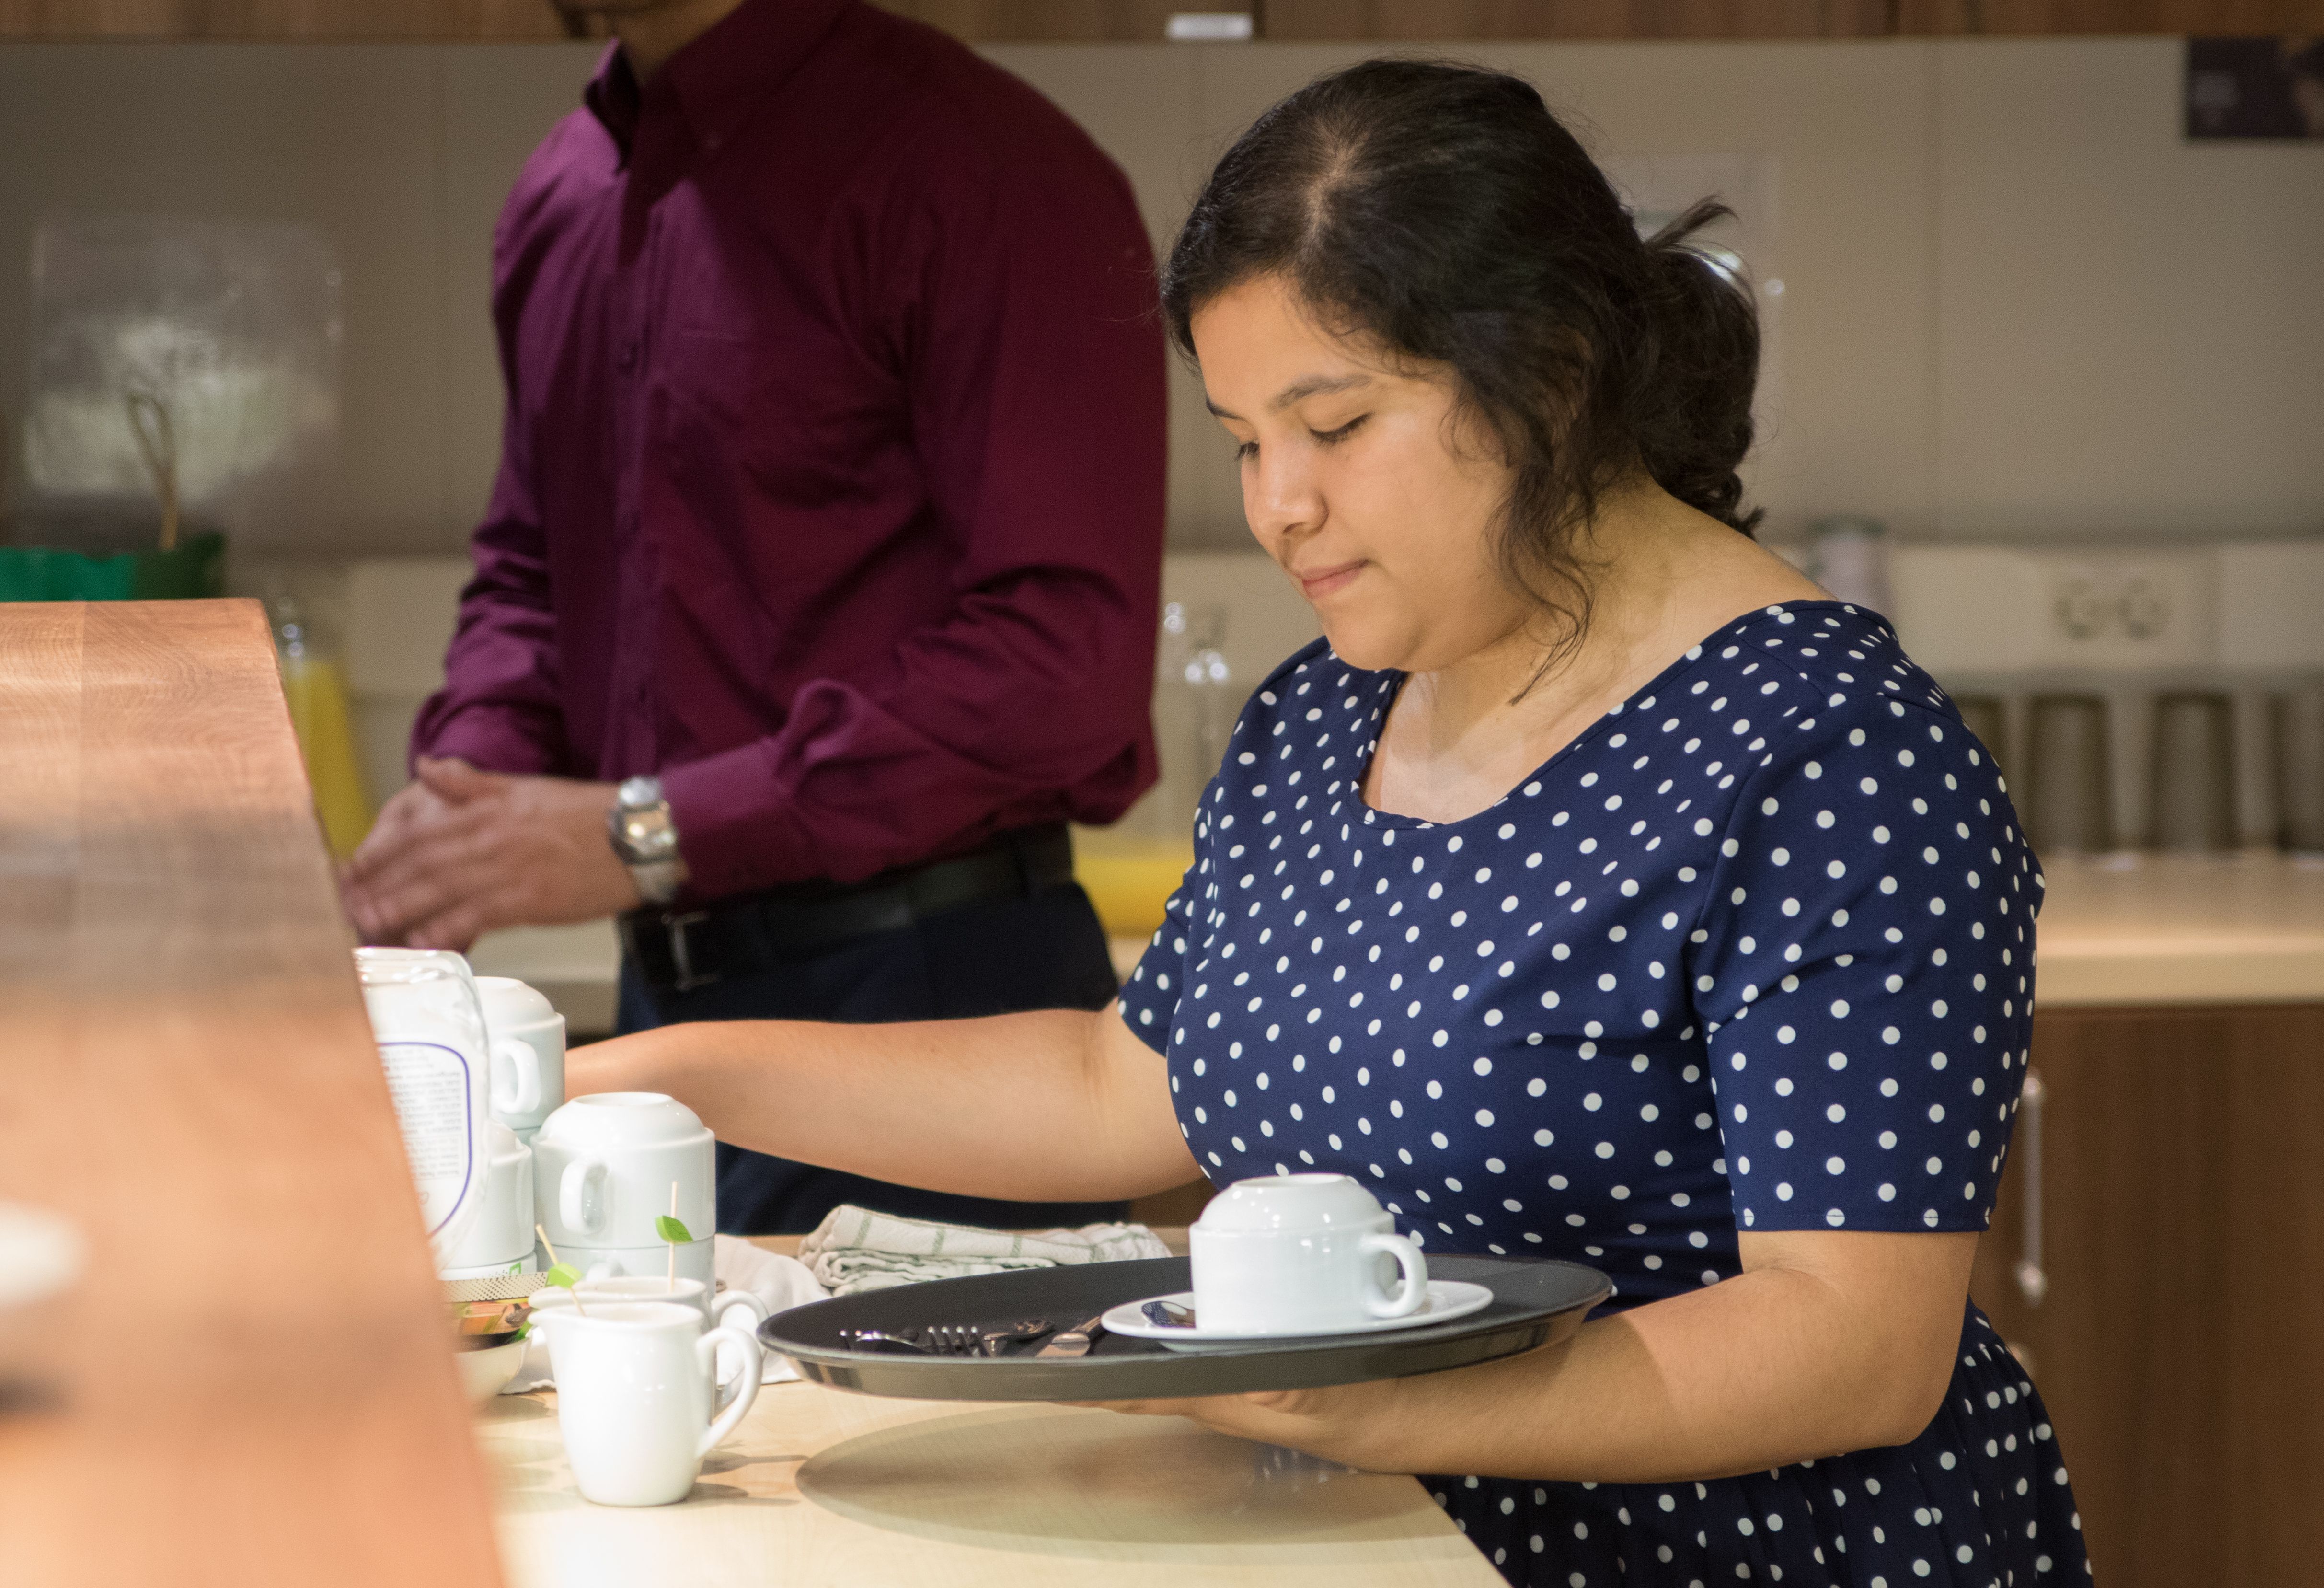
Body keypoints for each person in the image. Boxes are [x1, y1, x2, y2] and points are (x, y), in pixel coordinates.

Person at [566, 58, 2088, 1587]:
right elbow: (1124, 1083)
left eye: (1334, 423)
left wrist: (1369, 1410)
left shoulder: (1828, 753)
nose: (1274, 503)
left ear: (1549, 375)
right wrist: (654, 1077)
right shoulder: (1326, 712)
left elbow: (1849, 1339)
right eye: (1242, 438)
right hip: (1391, 1543)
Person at [339, 0, 1167, 1235]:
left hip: (938, 1009)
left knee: (954, 1435)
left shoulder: (983, 170)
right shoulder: (564, 190)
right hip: (663, 1006)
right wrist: (473, 792)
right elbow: (533, 564)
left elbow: (1060, 662)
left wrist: (645, 836)